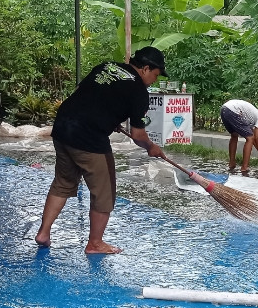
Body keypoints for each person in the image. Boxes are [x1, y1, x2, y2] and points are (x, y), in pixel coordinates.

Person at [36, 47, 174, 255]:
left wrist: (109, 117)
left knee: (63, 182)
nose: (154, 80)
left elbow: (87, 93)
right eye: (156, 74)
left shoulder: (107, 67)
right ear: (145, 68)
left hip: (63, 127)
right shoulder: (139, 91)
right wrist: (151, 147)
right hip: (88, 137)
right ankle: (95, 243)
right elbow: (138, 135)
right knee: (104, 191)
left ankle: (44, 233)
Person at [221, 97, 258, 177]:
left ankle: (232, 163)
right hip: (233, 111)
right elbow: (256, 137)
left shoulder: (252, 116)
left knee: (234, 135)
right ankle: (244, 167)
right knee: (249, 138)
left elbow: (254, 139)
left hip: (224, 109)